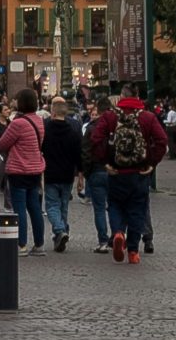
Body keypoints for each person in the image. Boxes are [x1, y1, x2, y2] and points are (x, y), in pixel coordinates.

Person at [102, 95, 162, 264]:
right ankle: (133, 251)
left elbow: (96, 139)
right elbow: (161, 140)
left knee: (114, 205)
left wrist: (105, 163)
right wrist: (151, 163)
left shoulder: (110, 116)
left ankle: (119, 232)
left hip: (116, 172)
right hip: (139, 172)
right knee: (137, 210)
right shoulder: (147, 117)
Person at [0, 89, 47, 252]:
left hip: (19, 169)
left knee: (19, 208)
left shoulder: (18, 123)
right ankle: (39, 244)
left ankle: (21, 244)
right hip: (35, 169)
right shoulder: (39, 120)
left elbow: (2, 144)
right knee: (34, 207)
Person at [40, 97, 83, 252]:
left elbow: (40, 149)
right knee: (63, 205)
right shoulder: (73, 131)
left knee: (51, 205)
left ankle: (59, 230)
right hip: (67, 173)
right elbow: (79, 154)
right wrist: (81, 175)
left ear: (52, 111)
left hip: (51, 172)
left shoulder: (45, 129)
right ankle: (61, 234)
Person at [80, 94, 116, 249]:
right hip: (114, 172)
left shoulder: (91, 128)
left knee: (99, 209)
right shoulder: (116, 126)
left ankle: (102, 241)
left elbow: (86, 152)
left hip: (96, 171)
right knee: (115, 206)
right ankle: (118, 235)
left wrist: (86, 173)